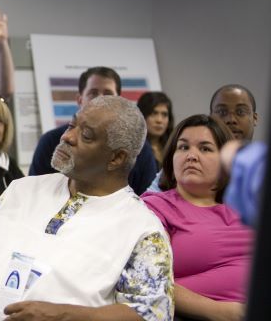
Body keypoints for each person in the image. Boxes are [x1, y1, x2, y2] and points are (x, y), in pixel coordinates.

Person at [0, 95, 173, 321]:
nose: (67, 136)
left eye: (85, 135)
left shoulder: (142, 229)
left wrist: (64, 315)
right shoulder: (21, 190)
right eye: (71, 125)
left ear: (116, 158)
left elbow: (151, 314)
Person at [142, 115, 252, 321]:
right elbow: (148, 281)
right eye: (183, 147)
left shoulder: (244, 207)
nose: (191, 155)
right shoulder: (155, 208)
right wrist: (224, 313)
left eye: (205, 148)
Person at [28, 66, 157, 194]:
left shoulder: (138, 149)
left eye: (108, 95)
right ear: (79, 99)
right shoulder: (50, 142)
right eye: (93, 93)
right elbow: (34, 193)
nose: (100, 99)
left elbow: (146, 197)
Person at [137, 91, 174, 169]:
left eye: (164, 114)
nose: (159, 120)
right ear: (142, 115)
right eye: (154, 113)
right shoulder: (135, 150)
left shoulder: (174, 148)